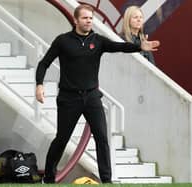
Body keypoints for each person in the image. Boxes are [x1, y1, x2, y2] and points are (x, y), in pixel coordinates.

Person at [35, 4, 159, 184]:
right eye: (85, 18)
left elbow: (119, 46)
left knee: (102, 138)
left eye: (91, 18)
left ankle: (107, 180)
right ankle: (48, 177)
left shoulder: (98, 40)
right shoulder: (63, 41)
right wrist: (39, 85)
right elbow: (44, 63)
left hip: (92, 97)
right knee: (62, 139)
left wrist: (139, 47)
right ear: (76, 20)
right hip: (69, 98)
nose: (89, 21)